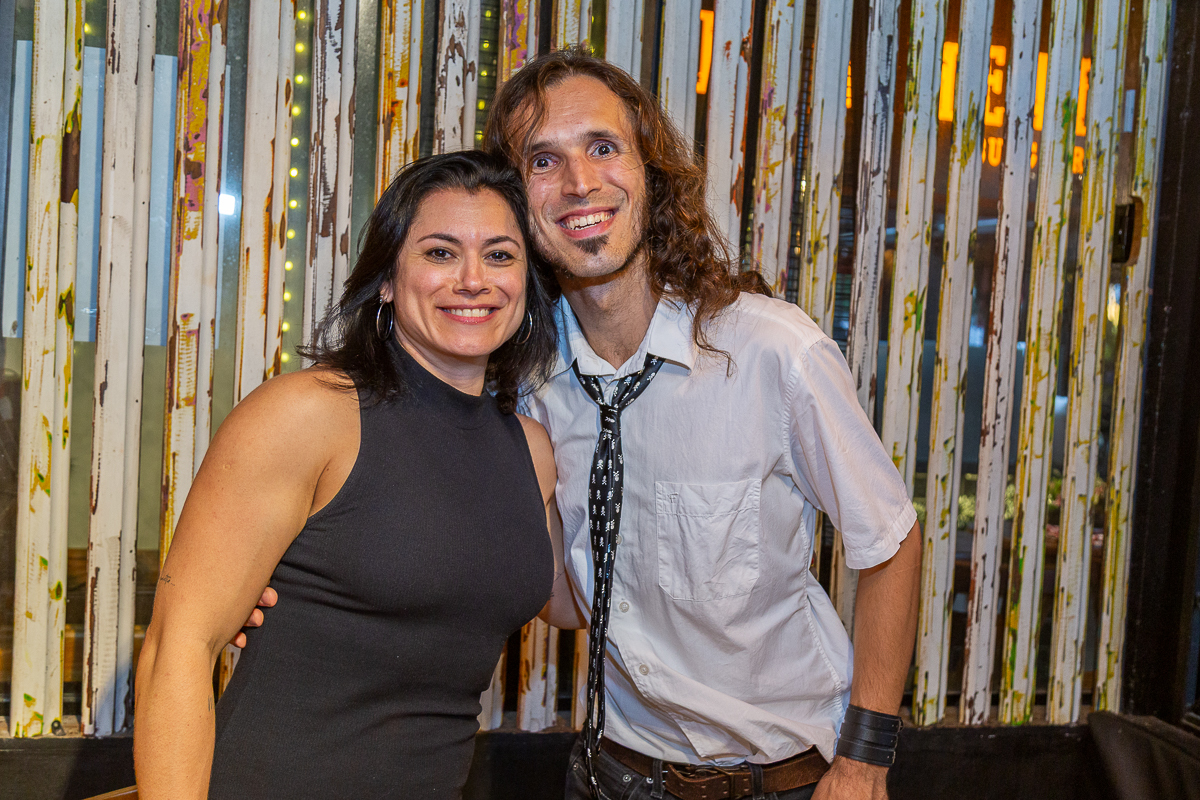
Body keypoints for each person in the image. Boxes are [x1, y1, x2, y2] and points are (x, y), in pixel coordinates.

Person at [479, 49, 923, 800]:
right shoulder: (532, 380)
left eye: (604, 147)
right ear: (515, 201)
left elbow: (892, 543)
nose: (581, 181)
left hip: (778, 780)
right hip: (610, 772)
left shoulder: (772, 352)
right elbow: (565, 607)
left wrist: (864, 760)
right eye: (543, 160)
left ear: (651, 171)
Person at [133, 151, 578, 799]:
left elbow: (568, 600)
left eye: (502, 255)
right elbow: (175, 651)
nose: (475, 279)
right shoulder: (307, 415)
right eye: (440, 253)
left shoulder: (530, 449)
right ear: (389, 279)